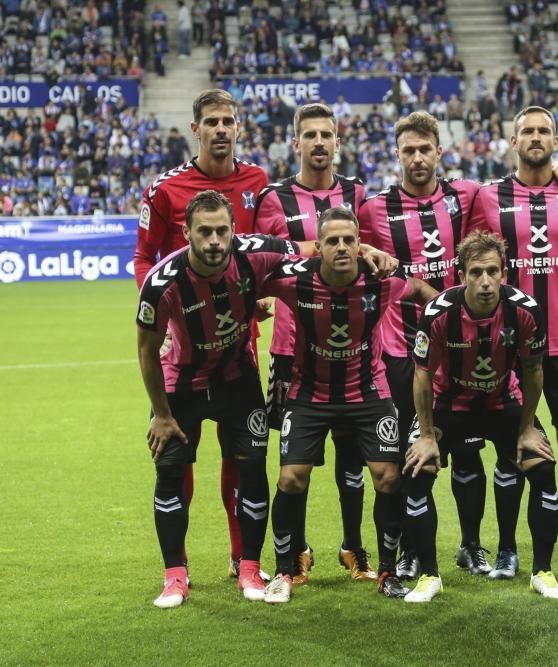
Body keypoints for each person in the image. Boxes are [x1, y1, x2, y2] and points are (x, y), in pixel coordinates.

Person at [259, 207, 436, 604]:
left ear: (360, 246)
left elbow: (422, 290)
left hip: (367, 393)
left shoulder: (381, 282)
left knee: (388, 477)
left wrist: (446, 318)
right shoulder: (295, 282)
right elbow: (249, 283)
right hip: (309, 394)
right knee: (290, 479)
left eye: (349, 240)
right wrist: (251, 309)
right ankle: (285, 570)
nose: (341, 247)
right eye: (333, 241)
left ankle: (388, 571)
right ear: (317, 247)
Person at [137, 190, 298, 608]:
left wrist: (365, 248)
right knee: (170, 474)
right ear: (186, 232)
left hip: (237, 380)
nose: (214, 240)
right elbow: (146, 351)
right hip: (181, 386)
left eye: (222, 230)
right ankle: (175, 576)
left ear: (233, 231)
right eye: (204, 231)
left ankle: (248, 567)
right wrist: (161, 414)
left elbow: (310, 250)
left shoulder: (256, 254)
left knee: (251, 470)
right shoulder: (162, 283)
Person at [134, 89, 270, 580]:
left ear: (238, 127)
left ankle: (242, 557)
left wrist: (259, 295)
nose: (219, 129)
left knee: (242, 456)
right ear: (195, 129)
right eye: (210, 121)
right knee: (178, 454)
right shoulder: (165, 189)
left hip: (239, 342)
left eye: (226, 121)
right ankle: (179, 565)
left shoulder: (257, 180)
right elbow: (144, 259)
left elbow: (261, 254)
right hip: (183, 345)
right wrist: (164, 318)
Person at [468, 105, 558, 580]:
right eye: (527, 131)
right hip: (508, 347)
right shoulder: (487, 196)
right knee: (510, 449)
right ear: (513, 141)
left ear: (557, 141)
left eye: (544, 131)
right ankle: (507, 549)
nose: (536, 137)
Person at [358, 111, 489, 579]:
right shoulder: (373, 209)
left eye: (424, 149)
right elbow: (352, 256)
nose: (417, 158)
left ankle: (471, 546)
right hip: (399, 352)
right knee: (409, 458)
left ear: (439, 150)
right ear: (396, 156)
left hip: (460, 350)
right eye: (407, 150)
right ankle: (413, 551)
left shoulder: (467, 195)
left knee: (468, 453)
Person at [402, 231, 558, 602]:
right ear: (461, 274)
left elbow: (534, 370)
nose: (486, 281)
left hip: (501, 401)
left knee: (542, 467)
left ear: (505, 272)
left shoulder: (525, 310)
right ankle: (429, 576)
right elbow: (423, 376)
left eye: (493, 271)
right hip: (449, 403)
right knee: (417, 470)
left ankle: (543, 572)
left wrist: (527, 427)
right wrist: (427, 435)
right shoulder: (439, 312)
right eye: (476, 272)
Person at [254, 103, 368, 586]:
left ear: (338, 142)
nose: (319, 142)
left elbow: (372, 255)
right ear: (295, 143)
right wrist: (307, 251)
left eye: (327, 135)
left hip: (352, 348)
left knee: (353, 458)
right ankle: (297, 551)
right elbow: (260, 262)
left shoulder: (358, 194)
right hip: (291, 351)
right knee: (293, 461)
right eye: (310, 135)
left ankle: (353, 548)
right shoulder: (274, 198)